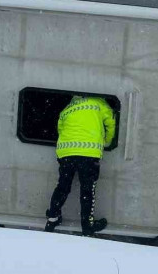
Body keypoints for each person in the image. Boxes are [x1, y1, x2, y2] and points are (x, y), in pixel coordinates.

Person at [44, 95, 116, 236]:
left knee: (62, 187)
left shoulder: (68, 107)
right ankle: (87, 227)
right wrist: (107, 141)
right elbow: (111, 122)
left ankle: (52, 219)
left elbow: (60, 129)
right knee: (87, 190)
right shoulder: (99, 103)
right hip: (88, 153)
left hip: (66, 153)